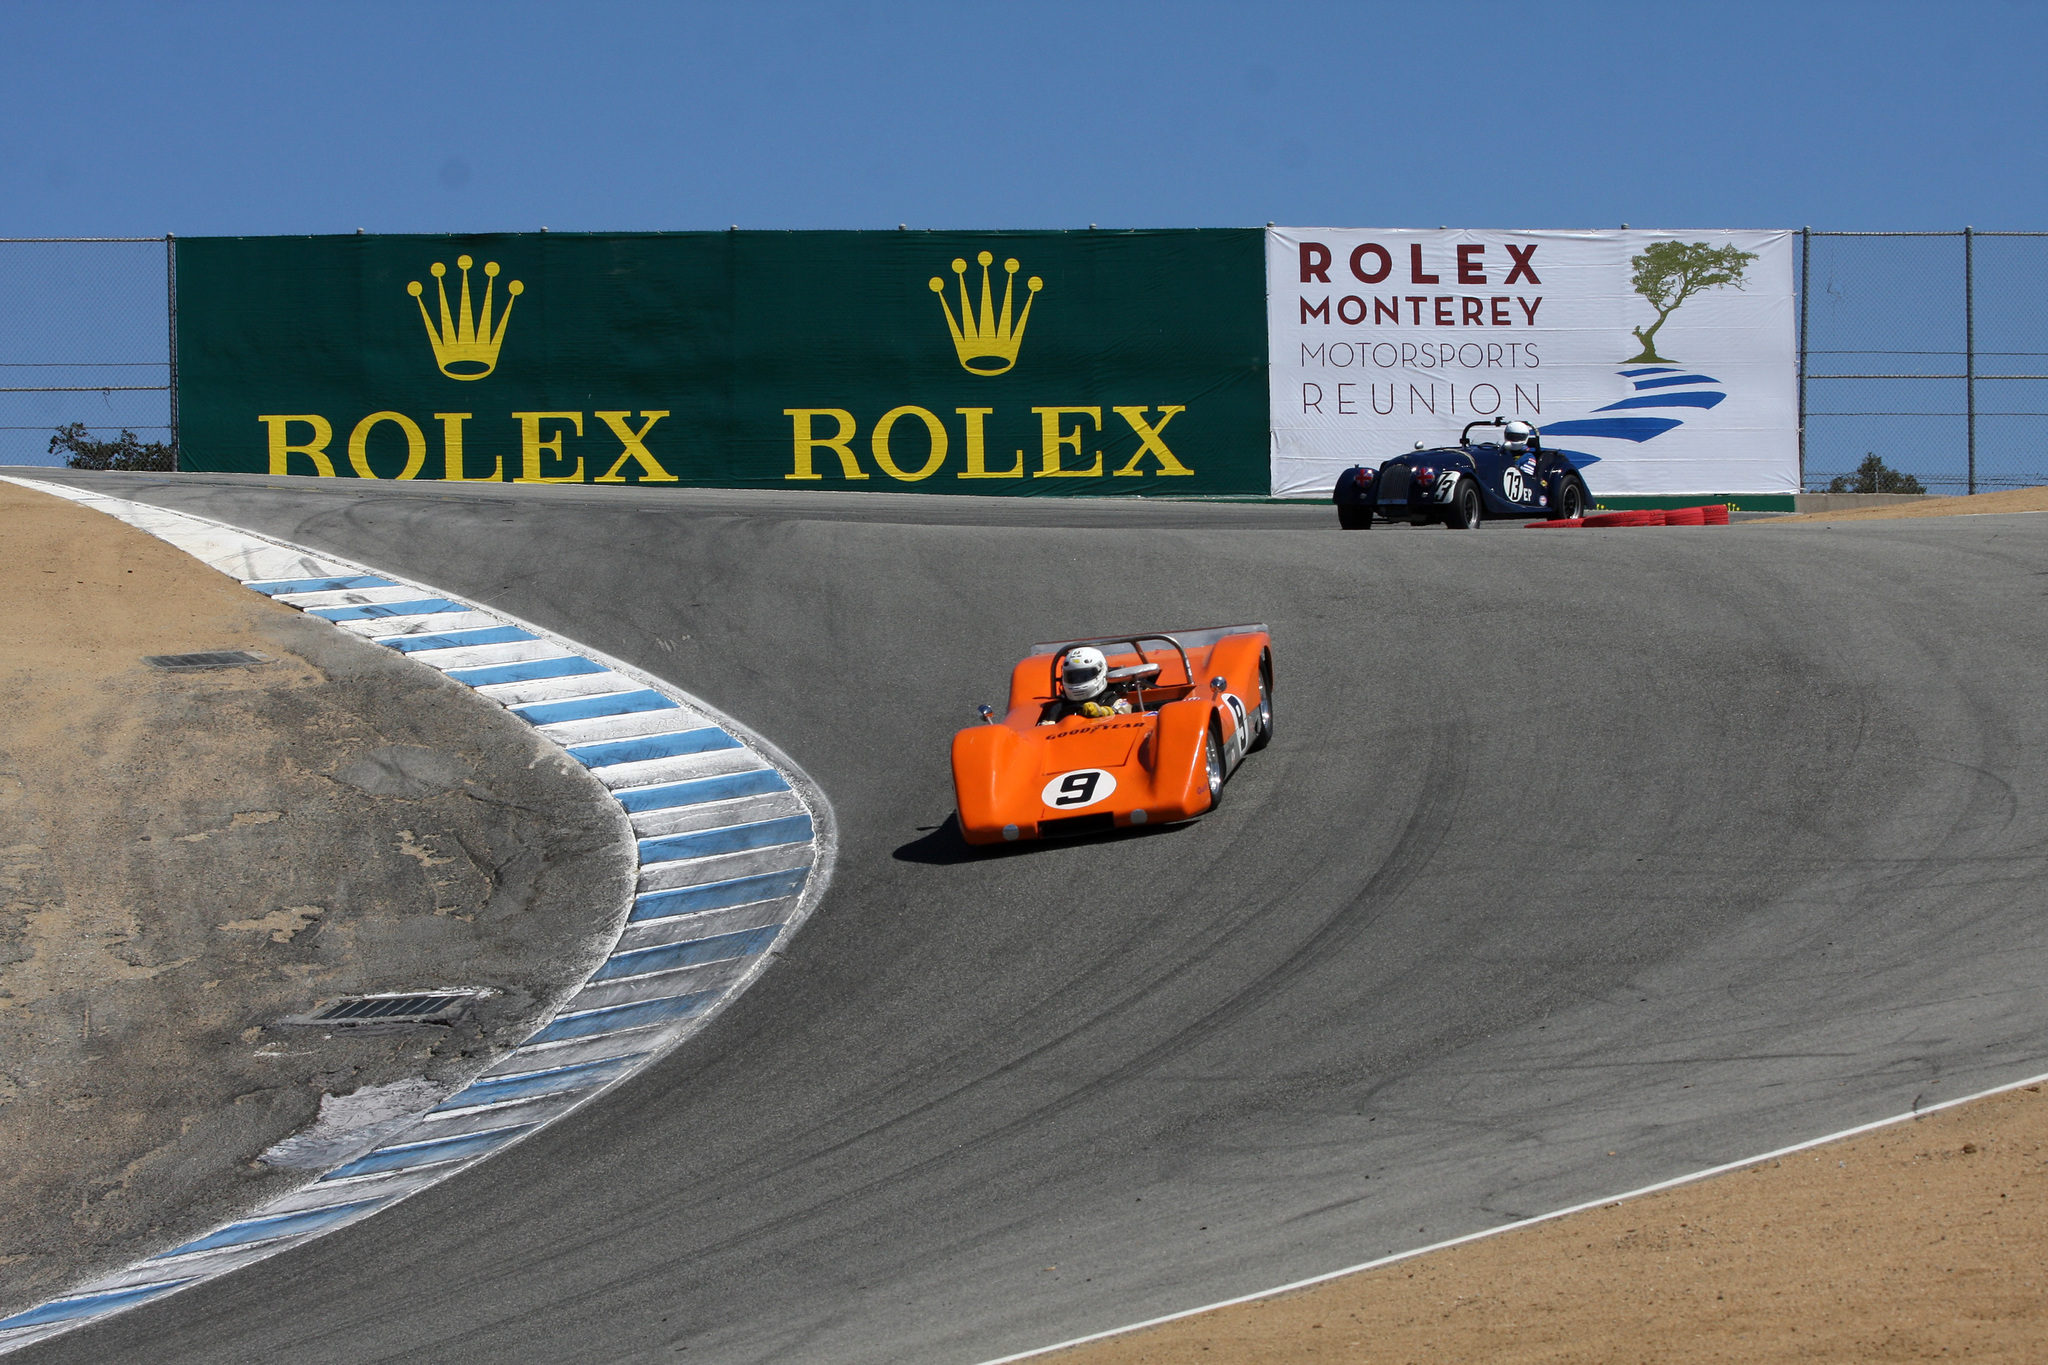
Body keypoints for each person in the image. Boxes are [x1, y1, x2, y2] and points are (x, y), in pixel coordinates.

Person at [1040, 645, 1134, 723]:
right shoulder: (1058, 707)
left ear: (1101, 670)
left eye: (1084, 676)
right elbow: (1043, 730)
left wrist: (1102, 712)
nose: (1078, 680)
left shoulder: (1112, 696)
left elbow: (1125, 710)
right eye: (1073, 676)